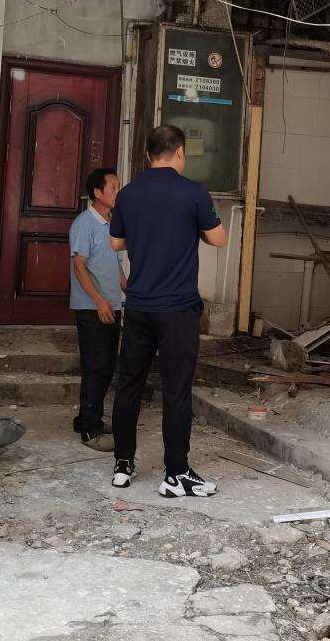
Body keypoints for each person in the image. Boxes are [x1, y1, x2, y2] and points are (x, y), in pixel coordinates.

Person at [108, 124, 228, 497]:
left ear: (148, 155)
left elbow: (115, 243)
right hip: (177, 309)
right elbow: (219, 238)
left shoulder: (128, 194)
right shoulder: (193, 192)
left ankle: (123, 464)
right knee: (176, 390)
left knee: (129, 384)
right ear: (180, 153)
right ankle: (176, 473)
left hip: (139, 306)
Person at [68, 167, 126, 452]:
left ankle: (86, 419)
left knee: (106, 366)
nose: (117, 192)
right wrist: (100, 301)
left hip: (112, 305)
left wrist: (129, 290)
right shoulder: (84, 224)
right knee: (96, 366)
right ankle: (90, 431)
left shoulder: (112, 223)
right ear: (98, 193)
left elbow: (116, 265)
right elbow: (79, 267)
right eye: (113, 187)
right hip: (92, 308)